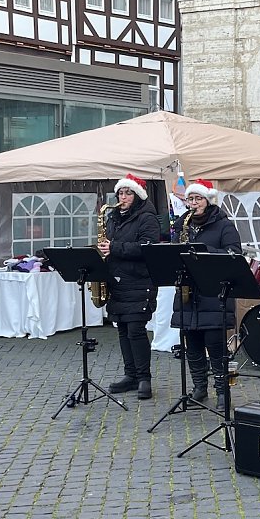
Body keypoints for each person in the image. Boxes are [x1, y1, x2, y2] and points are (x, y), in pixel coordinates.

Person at [171, 179, 242, 409]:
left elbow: (233, 253)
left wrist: (202, 252)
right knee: (191, 341)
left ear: (208, 200)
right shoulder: (183, 224)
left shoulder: (224, 225)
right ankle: (199, 387)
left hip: (214, 293)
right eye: (190, 199)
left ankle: (223, 392)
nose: (193, 203)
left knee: (215, 343)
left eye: (197, 199)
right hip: (188, 293)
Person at [100, 174, 161, 400]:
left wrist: (115, 248)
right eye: (120, 193)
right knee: (123, 329)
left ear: (137, 195)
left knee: (136, 329)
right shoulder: (113, 218)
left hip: (140, 281)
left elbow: (148, 247)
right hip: (118, 281)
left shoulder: (147, 218)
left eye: (128, 193)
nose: (123, 197)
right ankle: (131, 375)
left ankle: (145, 377)